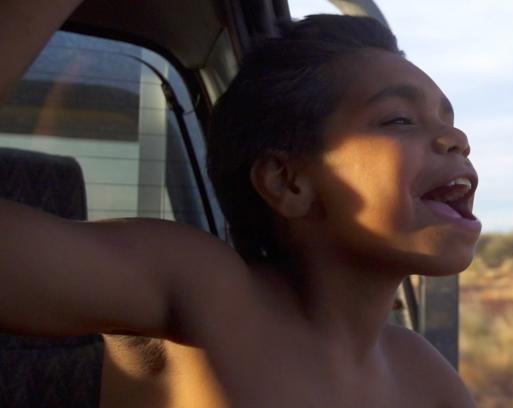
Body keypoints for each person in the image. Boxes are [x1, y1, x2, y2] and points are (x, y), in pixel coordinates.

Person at [0, 1, 480, 407]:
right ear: (288, 183)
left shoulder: (427, 376)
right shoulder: (202, 286)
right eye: (398, 119)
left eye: (448, 119)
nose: (456, 138)